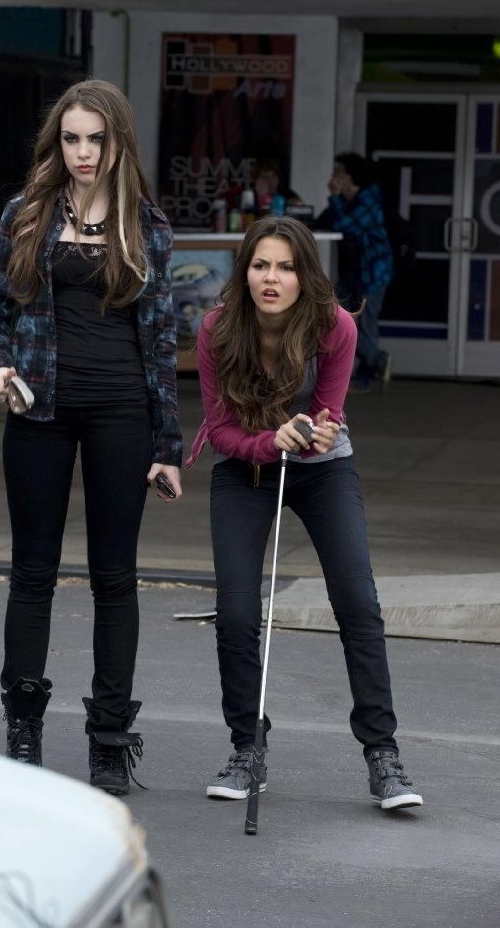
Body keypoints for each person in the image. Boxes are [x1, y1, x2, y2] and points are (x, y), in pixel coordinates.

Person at [0, 79, 183, 796]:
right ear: (57, 143)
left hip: (121, 415)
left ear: (119, 141)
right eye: (71, 138)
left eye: (96, 138)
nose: (84, 152)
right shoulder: (24, 216)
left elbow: (160, 342)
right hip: (39, 413)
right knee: (32, 573)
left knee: (113, 578)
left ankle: (107, 742)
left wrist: (168, 444)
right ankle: (23, 731)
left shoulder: (147, 227)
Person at [185, 215, 422, 811]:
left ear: (304, 275)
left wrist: (317, 433)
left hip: (320, 469)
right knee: (238, 613)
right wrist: (272, 442)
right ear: (245, 271)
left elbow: (329, 412)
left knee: (358, 603)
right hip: (246, 467)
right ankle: (248, 749)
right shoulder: (215, 330)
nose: (272, 278)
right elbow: (220, 430)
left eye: (286, 267)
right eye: (261, 265)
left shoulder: (333, 325)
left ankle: (383, 755)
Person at [315, 152, 394, 393]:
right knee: (332, 318)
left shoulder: (369, 200)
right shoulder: (348, 202)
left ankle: (372, 367)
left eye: (338, 172)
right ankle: (375, 364)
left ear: (350, 176)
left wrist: (335, 197)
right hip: (352, 272)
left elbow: (345, 225)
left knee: (365, 324)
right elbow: (326, 220)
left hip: (372, 273)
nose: (333, 176)